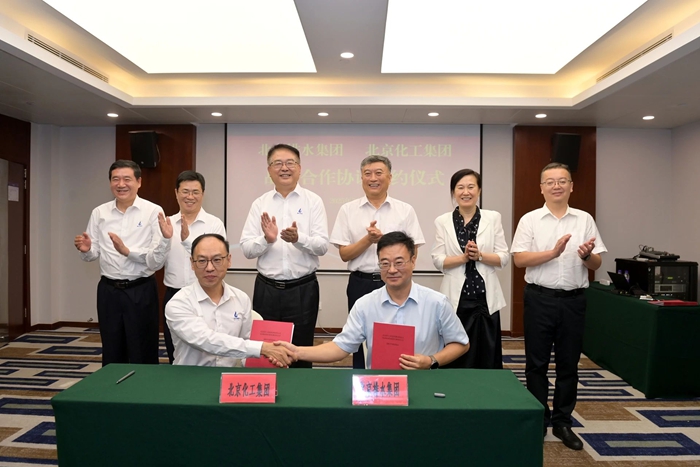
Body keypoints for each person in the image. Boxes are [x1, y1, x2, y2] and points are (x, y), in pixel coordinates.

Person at [511, 162, 606, 450]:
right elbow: (519, 259)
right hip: (539, 299)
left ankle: (563, 422)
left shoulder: (584, 219)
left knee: (568, 364)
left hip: (574, 301)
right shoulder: (530, 220)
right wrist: (552, 253)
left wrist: (586, 256)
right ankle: (539, 419)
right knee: (536, 364)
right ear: (541, 187)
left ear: (571, 186)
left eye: (562, 181)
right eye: (550, 181)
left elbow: (596, 264)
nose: (556, 186)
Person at [272, 232, 469, 369]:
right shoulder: (365, 305)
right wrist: (297, 352)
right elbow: (340, 347)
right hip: (381, 388)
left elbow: (461, 343)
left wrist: (431, 360)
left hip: (425, 382)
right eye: (385, 263)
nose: (392, 270)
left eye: (399, 262)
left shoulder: (436, 303)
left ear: (413, 261)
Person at [330, 155, 425, 369]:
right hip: (360, 283)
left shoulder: (405, 210)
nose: (373, 178)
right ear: (361, 178)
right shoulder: (348, 210)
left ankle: (400, 378)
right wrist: (368, 240)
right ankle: (361, 380)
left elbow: (414, 251)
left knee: (398, 334)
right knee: (359, 338)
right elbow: (344, 254)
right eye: (367, 174)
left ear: (389, 177)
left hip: (395, 283)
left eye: (379, 173)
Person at [74, 160, 172, 366]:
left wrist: (127, 252)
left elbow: (156, 262)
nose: (121, 184)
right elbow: (92, 254)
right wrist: (86, 250)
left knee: (143, 349)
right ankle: (112, 385)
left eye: (127, 179)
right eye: (115, 179)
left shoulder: (153, 211)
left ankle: (143, 386)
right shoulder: (99, 212)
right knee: (112, 348)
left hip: (141, 290)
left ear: (139, 182)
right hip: (109, 291)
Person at [239, 143, 329, 368]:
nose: (284, 168)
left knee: (301, 354)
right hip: (267, 290)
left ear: (299, 168)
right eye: (277, 163)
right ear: (269, 170)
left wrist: (298, 239)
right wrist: (266, 240)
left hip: (303, 290)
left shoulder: (313, 201)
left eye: (290, 163)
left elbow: (322, 246)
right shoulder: (260, 203)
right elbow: (247, 249)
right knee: (265, 356)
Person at [165, 234, 293, 367]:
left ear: (229, 260)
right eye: (202, 261)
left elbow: (247, 345)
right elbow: (206, 340)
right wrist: (262, 348)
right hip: (189, 376)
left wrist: (270, 359)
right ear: (192, 263)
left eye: (217, 260)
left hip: (229, 377)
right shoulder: (178, 303)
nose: (209, 268)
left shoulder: (241, 299)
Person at [431, 169, 509, 369]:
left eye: (471, 187)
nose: (466, 192)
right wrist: (463, 258)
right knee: (455, 354)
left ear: (479, 190)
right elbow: (438, 260)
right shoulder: (442, 221)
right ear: (453, 192)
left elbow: (503, 257)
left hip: (485, 299)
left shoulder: (493, 218)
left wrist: (480, 255)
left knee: (486, 355)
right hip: (456, 300)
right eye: (460, 187)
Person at [162, 171, 226, 364]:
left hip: (206, 296)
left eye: (195, 192)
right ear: (176, 193)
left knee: (209, 352)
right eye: (185, 191)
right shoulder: (166, 224)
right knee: (175, 352)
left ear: (203, 194)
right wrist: (164, 240)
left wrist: (187, 241)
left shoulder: (214, 224)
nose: (190, 197)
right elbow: (155, 262)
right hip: (174, 295)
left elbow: (217, 261)